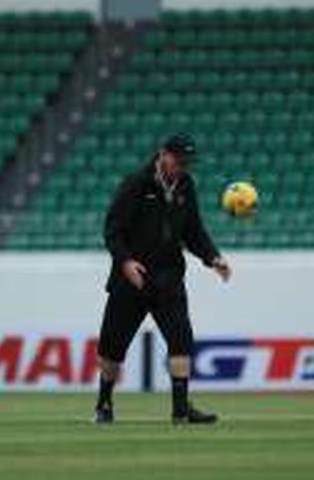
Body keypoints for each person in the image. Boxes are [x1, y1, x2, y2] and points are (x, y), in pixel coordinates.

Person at [94, 132, 231, 424]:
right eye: (179, 160)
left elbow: (194, 232)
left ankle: (180, 411)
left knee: (182, 340)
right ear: (162, 155)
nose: (183, 167)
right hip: (131, 278)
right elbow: (112, 231)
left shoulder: (186, 186)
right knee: (112, 348)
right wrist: (126, 262)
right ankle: (104, 404)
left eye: (187, 162)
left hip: (168, 277)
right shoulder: (136, 184)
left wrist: (213, 257)